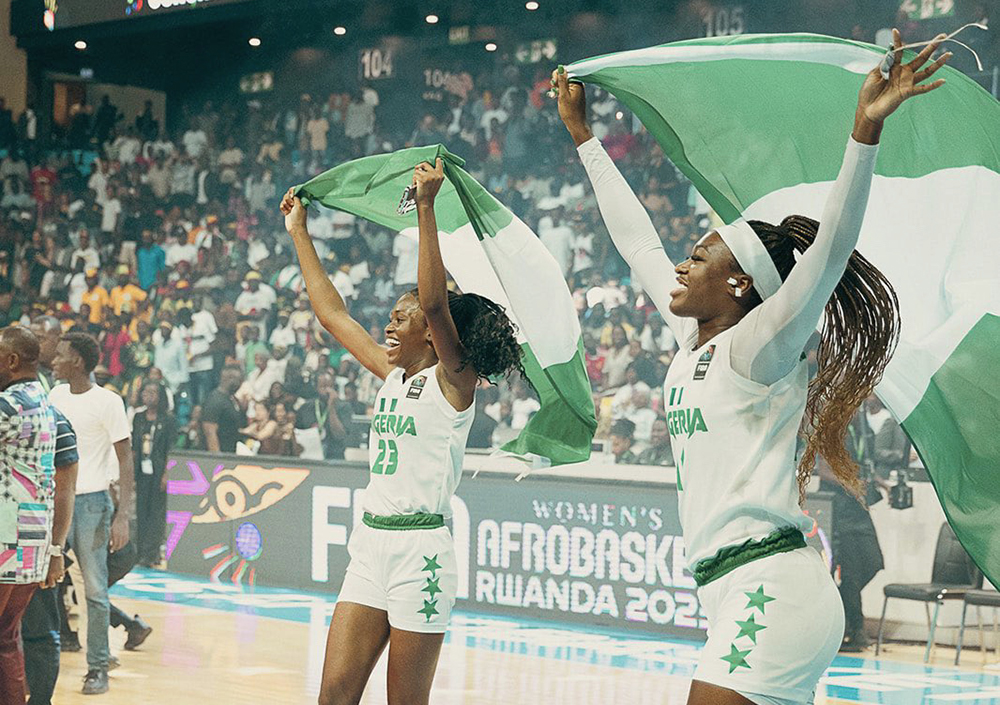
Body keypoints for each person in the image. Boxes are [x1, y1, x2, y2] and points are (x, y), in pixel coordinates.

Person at [554, 29, 947, 705]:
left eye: (700, 257)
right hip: (734, 589)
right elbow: (635, 239)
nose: (680, 263)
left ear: (740, 284)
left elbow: (829, 251)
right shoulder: (695, 342)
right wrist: (582, 135)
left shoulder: (759, 344)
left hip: (771, 586)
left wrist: (863, 134)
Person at [281, 152, 527, 705]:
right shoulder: (392, 374)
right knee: (333, 697)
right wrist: (300, 232)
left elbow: (438, 302)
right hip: (371, 544)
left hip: (423, 554)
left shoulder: (456, 379)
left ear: (431, 332)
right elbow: (332, 315)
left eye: (401, 315)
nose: (389, 323)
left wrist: (426, 207)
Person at [49, 332, 135, 695]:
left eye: (60, 355)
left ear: (78, 363)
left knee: (96, 588)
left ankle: (97, 666)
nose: (53, 360)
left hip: (91, 502)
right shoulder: (54, 396)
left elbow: (125, 457)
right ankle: (42, 654)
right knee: (44, 581)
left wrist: (123, 515)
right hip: (55, 500)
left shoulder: (108, 402)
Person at [0, 326, 78, 705]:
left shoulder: (11, 405)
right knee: (7, 639)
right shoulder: (50, 408)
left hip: (4, 541)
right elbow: (66, 480)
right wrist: (55, 548)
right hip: (31, 546)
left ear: (12, 361)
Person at [132, 381, 176, 567]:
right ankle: (140, 551)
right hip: (141, 470)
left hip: (158, 471)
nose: (148, 396)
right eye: (146, 392)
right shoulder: (138, 418)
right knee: (141, 511)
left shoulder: (168, 420)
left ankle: (152, 553)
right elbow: (134, 446)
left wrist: (167, 473)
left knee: (156, 513)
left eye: (153, 392)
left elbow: (170, 450)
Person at [202, 365, 245, 453]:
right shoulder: (215, 400)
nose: (240, 384)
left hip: (231, 452)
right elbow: (210, 432)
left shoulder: (231, 399)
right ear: (230, 379)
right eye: (239, 380)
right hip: (221, 456)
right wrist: (218, 458)